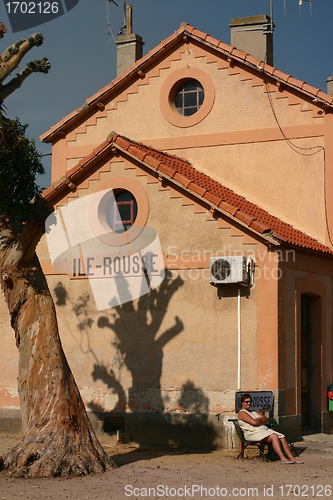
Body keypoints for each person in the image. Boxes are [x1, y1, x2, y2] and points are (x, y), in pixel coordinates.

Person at [238, 393, 303, 464]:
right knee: (274, 436)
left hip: (263, 430)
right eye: (246, 402)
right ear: (242, 403)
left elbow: (265, 418)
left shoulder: (253, 411)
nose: (249, 403)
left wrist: (259, 420)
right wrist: (259, 420)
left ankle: (291, 458)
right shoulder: (242, 413)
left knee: (282, 436)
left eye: (250, 401)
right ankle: (282, 458)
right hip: (252, 433)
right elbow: (254, 422)